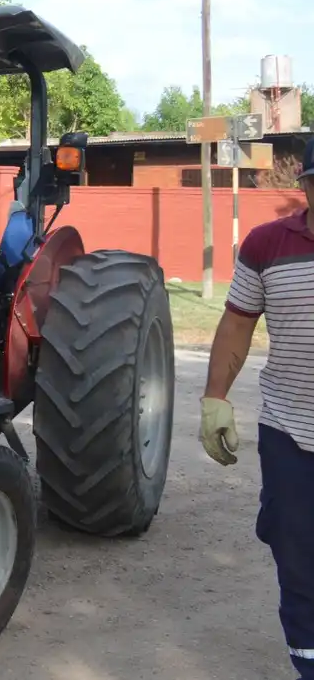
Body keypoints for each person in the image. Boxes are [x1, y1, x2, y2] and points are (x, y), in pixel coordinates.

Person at [200, 141, 314, 680]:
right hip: (291, 430)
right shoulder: (267, 244)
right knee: (297, 557)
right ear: (306, 185)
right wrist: (215, 398)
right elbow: (238, 322)